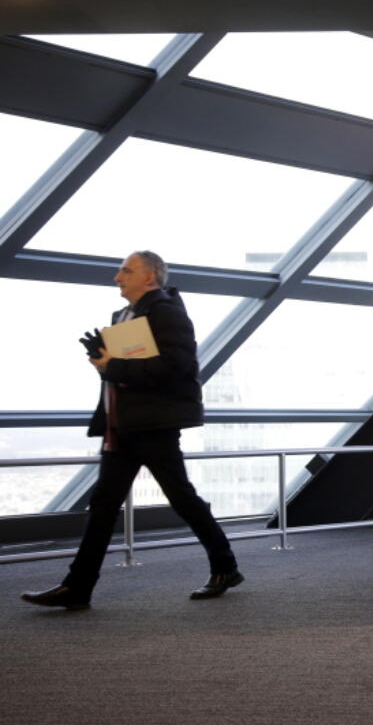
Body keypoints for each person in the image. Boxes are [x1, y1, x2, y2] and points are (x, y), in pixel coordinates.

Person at [21, 251, 243, 610]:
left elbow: (176, 365)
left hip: (154, 425)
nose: (117, 276)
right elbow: (123, 372)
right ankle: (77, 587)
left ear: (151, 277)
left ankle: (225, 566)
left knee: (181, 499)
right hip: (124, 425)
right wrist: (104, 364)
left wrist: (115, 366)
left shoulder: (167, 311)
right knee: (104, 506)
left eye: (126, 270)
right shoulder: (125, 315)